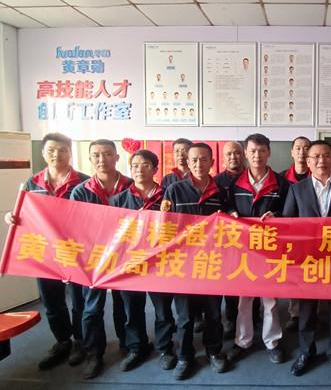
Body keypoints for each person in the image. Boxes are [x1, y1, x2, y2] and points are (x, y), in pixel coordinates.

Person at [6, 133, 89, 370]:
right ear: (43, 153)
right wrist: (11, 217)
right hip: (44, 252)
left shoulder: (83, 182)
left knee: (80, 300)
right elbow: (23, 213)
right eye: (51, 150)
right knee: (51, 300)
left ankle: (80, 342)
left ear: (70, 153)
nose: (57, 154)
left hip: (76, 251)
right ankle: (62, 341)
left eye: (62, 150)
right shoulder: (32, 183)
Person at [283, 140, 331, 380]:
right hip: (308, 261)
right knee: (307, 310)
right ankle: (306, 352)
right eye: (315, 156)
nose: (321, 161)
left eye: (326, 155)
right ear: (308, 162)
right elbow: (287, 224)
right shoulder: (297, 189)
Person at [160, 142, 231, 379]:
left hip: (213, 262)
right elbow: (165, 226)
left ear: (212, 162)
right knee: (185, 316)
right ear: (187, 163)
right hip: (184, 263)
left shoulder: (222, 192)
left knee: (213, 313)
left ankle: (214, 352)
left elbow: (232, 223)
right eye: (194, 160)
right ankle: (184, 356)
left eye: (204, 159)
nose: (199, 164)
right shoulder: (174, 190)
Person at [70, 139, 133, 379]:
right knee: (91, 308)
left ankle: (128, 345)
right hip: (94, 259)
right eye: (96, 155)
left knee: (125, 304)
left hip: (126, 256)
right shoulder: (81, 191)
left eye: (107, 154)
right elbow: (74, 226)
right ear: (90, 159)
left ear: (117, 157)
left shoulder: (131, 186)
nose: (101, 159)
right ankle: (93, 354)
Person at [228, 133, 290, 365]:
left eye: (262, 151)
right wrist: (232, 213)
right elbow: (227, 205)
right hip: (244, 249)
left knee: (270, 299)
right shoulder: (234, 183)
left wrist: (278, 215)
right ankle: (242, 340)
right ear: (245, 153)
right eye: (253, 151)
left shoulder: (282, 184)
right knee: (244, 299)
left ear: (269, 153)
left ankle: (272, 341)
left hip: (270, 248)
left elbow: (290, 212)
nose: (257, 155)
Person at [109, 150, 164, 372]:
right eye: (135, 166)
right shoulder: (119, 200)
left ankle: (165, 348)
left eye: (145, 165)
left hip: (161, 263)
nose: (139, 169)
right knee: (132, 309)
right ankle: (136, 348)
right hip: (130, 263)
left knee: (163, 310)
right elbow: (112, 232)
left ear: (155, 169)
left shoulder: (167, 197)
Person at [214, 140, 246, 339]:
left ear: (243, 155)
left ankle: (253, 319)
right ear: (223, 158)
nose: (233, 157)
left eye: (237, 153)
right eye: (229, 154)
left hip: (251, 239)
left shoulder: (252, 176)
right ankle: (231, 320)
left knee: (252, 281)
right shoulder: (216, 182)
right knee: (230, 282)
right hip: (226, 241)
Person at [279, 136, 311, 331]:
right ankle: (295, 313)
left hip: (313, 235)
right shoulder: (281, 179)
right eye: (298, 148)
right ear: (292, 152)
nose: (302, 152)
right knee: (294, 273)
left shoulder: (319, 175)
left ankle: (313, 311)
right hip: (290, 234)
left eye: (306, 148)